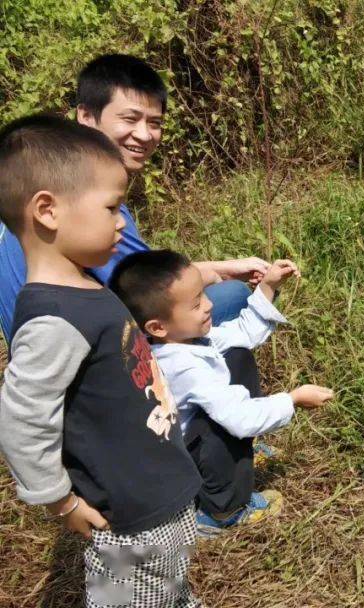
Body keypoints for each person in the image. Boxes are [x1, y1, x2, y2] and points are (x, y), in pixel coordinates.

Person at [0, 114, 203, 606]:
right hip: (128, 517)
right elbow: (22, 419)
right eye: (113, 207)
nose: (121, 221)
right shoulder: (54, 319)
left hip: (155, 491)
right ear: (47, 211)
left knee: (167, 585)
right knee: (132, 594)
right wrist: (58, 499)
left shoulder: (86, 283)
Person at [0, 53, 268, 341]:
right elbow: (152, 289)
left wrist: (220, 268)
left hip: (48, 341)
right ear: (86, 116)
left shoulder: (44, 179)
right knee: (233, 297)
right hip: (96, 359)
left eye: (155, 123)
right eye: (130, 119)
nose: (144, 134)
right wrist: (224, 274)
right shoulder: (83, 200)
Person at [110, 250, 334, 536]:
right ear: (157, 326)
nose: (209, 305)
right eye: (196, 304)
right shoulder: (186, 368)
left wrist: (268, 286)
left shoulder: (179, 340)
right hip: (178, 462)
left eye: (204, 295)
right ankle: (222, 510)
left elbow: (242, 333)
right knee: (226, 426)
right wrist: (293, 399)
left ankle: (236, 460)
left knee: (237, 354)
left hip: (178, 446)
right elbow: (241, 418)